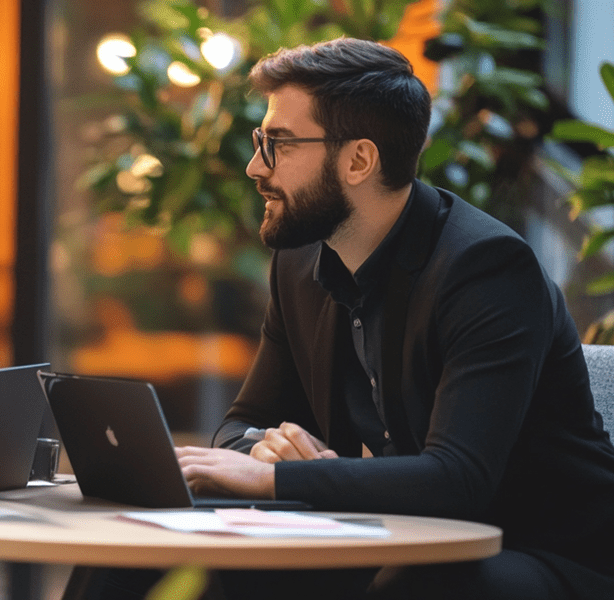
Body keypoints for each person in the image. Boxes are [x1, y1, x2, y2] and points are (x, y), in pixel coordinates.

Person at [90, 37, 614, 600]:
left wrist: (277, 475)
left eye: (279, 144)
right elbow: (240, 426)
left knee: (416, 584)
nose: (254, 165)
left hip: (542, 554)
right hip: (402, 537)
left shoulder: (486, 269)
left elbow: (458, 478)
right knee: (151, 547)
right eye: (259, 140)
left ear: (359, 160)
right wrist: (269, 453)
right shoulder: (300, 263)